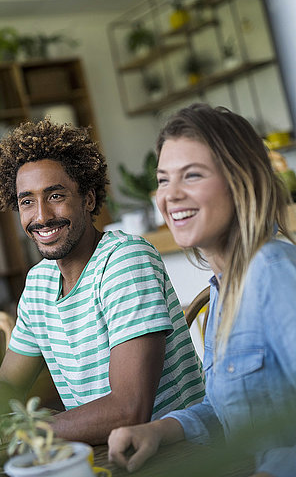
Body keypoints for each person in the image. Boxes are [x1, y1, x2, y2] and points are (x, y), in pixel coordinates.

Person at [0, 118, 204, 445]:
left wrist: (28, 431)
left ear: (89, 200)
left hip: (177, 454)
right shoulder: (38, 283)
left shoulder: (125, 261)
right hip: (102, 454)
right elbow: (8, 382)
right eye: (26, 201)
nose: (41, 217)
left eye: (55, 195)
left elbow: (129, 410)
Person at [108, 103, 296, 476]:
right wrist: (157, 431)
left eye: (191, 175)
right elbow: (227, 407)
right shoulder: (223, 287)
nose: (170, 195)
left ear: (241, 181)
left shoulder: (271, 271)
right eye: (163, 179)